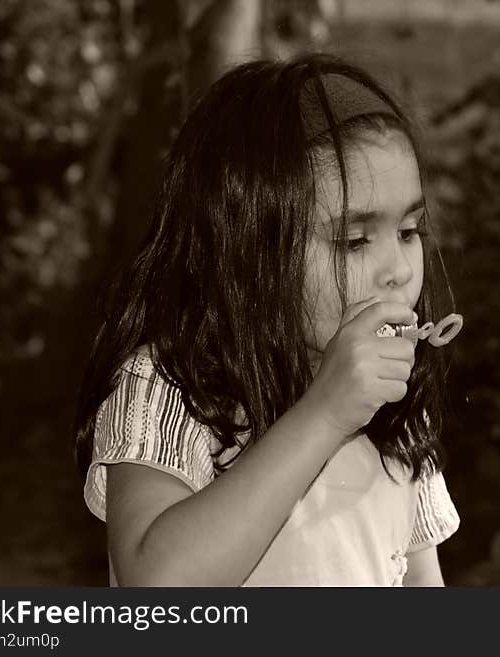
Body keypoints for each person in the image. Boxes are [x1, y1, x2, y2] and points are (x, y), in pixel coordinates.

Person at [73, 53, 461, 586]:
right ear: (247, 252)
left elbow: (422, 584)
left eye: (410, 231)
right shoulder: (171, 388)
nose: (397, 270)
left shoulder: (396, 411)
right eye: (354, 240)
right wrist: (324, 415)